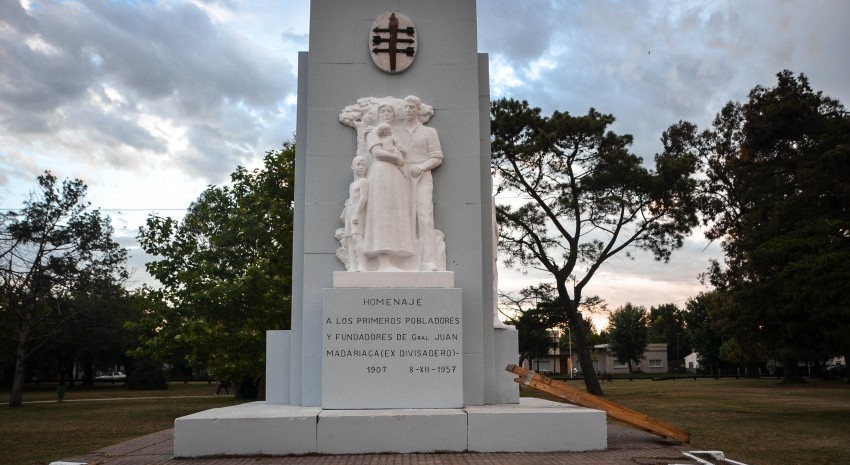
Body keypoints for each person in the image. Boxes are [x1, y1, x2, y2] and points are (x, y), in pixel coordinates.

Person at [363, 104, 415, 270]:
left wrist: (400, 153)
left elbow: (402, 152)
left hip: (395, 175)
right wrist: (396, 157)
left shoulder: (394, 134)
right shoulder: (374, 131)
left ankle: (396, 259)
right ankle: (383, 261)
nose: (386, 114)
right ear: (378, 115)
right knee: (382, 214)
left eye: (389, 111)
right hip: (381, 173)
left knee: (395, 214)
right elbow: (377, 153)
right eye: (383, 111)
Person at [396, 95, 444, 271]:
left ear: (418, 110)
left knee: (424, 217)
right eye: (406, 107)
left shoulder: (429, 132)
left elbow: (437, 156)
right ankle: (403, 259)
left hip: (422, 176)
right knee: (401, 217)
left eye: (411, 107)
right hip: (400, 176)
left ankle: (428, 261)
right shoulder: (396, 132)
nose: (408, 110)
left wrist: (422, 167)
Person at [342, 156, 369, 271]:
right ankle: (352, 266)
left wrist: (357, 213)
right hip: (349, 210)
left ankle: (363, 265)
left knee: (357, 237)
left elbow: (364, 198)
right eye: (358, 164)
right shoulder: (352, 184)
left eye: (363, 165)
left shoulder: (363, 182)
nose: (360, 167)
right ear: (352, 167)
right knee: (349, 239)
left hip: (357, 210)